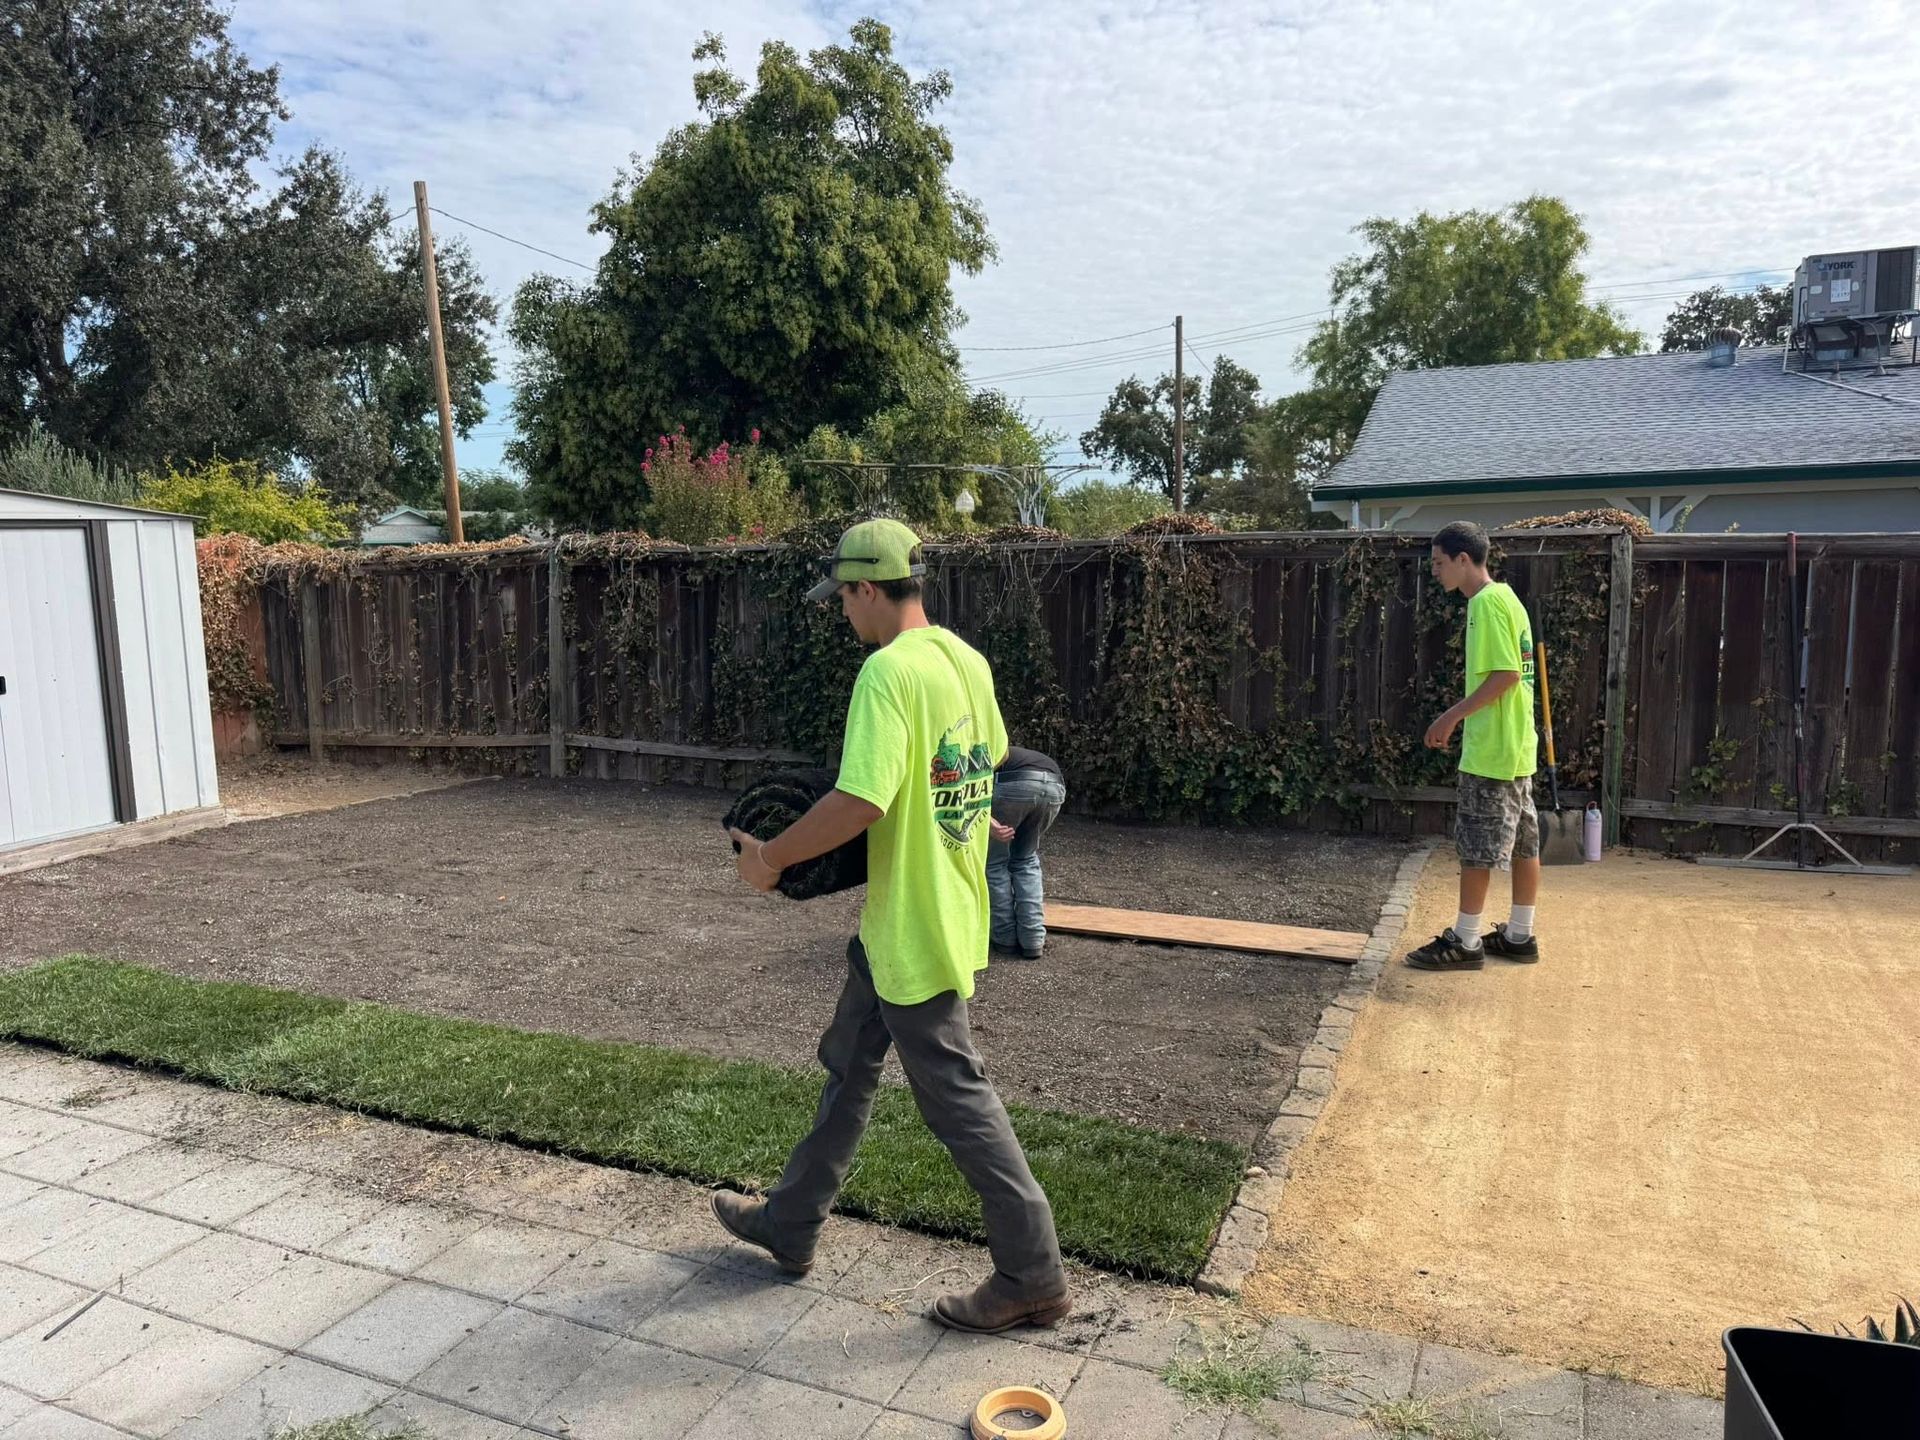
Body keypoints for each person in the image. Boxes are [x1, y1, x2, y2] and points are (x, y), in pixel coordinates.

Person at [720, 517, 1071, 1334]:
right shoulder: (963, 660)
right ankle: (791, 1221)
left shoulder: (887, 673)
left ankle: (1033, 1273)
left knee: (957, 1097)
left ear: (865, 589)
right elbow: (983, 761)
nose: (842, 615)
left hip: (914, 926)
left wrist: (770, 859)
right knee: (848, 1062)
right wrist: (971, 819)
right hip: (926, 911)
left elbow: (860, 801)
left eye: (842, 599)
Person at [1406, 521, 1542, 970]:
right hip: (1519, 747)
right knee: (1525, 845)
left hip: (1491, 751)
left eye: (1440, 563)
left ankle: (1465, 942)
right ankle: (1519, 935)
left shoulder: (1484, 604)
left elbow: (1503, 676)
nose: (1436, 572)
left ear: (1464, 560)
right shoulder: (1510, 599)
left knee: (1476, 848)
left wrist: (1451, 716)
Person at [987, 748, 1066, 960]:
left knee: (995, 864)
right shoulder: (1008, 749)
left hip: (1013, 785)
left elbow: (971, 794)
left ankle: (1004, 938)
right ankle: (1033, 940)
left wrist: (987, 820)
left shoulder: (981, 752)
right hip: (1054, 785)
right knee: (1025, 859)